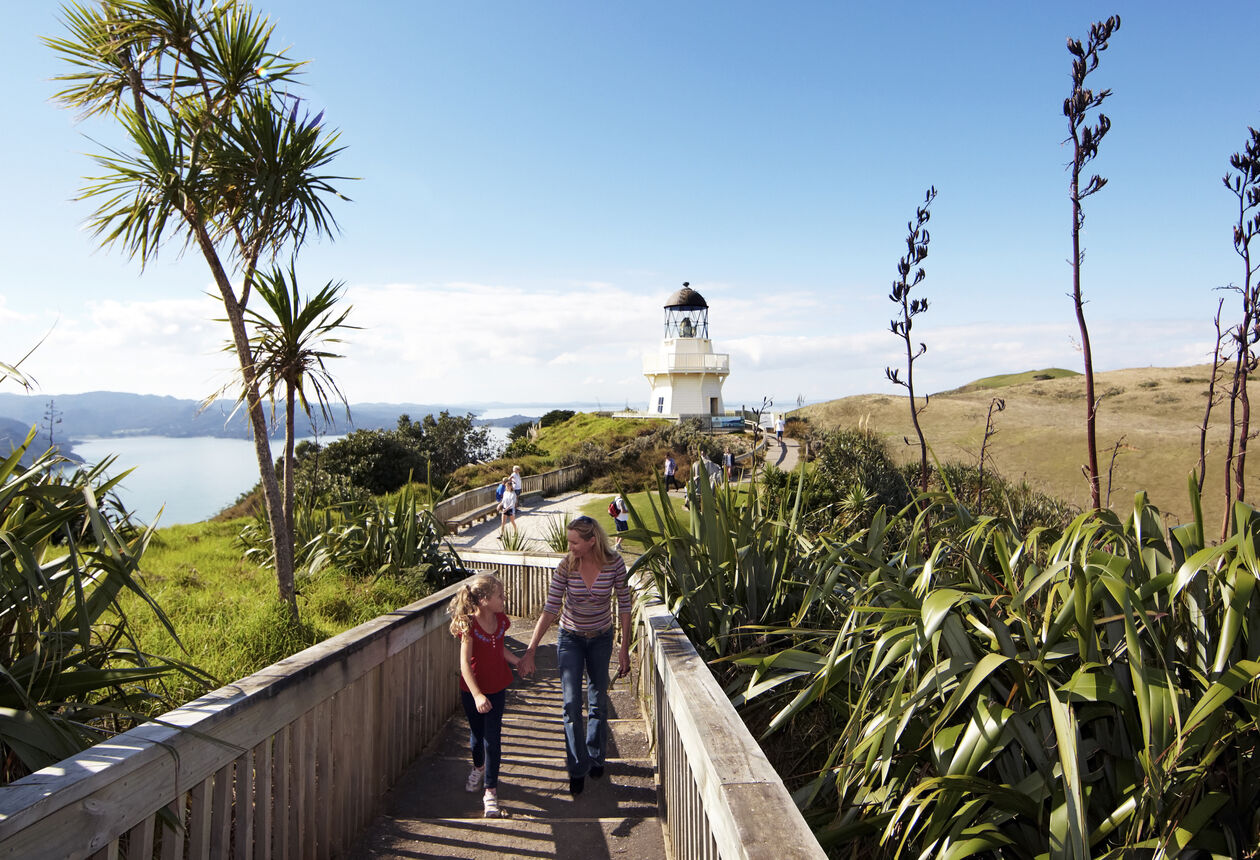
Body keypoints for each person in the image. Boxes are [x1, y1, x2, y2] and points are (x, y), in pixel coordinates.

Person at [518, 516, 631, 797]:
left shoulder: (614, 563)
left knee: (597, 700)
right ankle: (577, 767)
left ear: (592, 541)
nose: (569, 547)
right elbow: (550, 608)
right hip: (570, 639)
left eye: (574, 542)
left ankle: (596, 757)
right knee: (570, 705)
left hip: (601, 638)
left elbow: (625, 606)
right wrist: (531, 649)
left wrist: (624, 649)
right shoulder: (566, 566)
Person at [448, 573, 520, 818]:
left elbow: (499, 648)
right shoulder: (469, 625)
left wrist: (518, 661)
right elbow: (465, 664)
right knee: (477, 738)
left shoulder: (501, 621)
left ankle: (490, 790)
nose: (504, 599)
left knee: (493, 739)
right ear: (484, 600)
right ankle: (478, 767)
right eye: (500, 595)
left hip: (497, 687)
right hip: (473, 691)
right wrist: (478, 695)